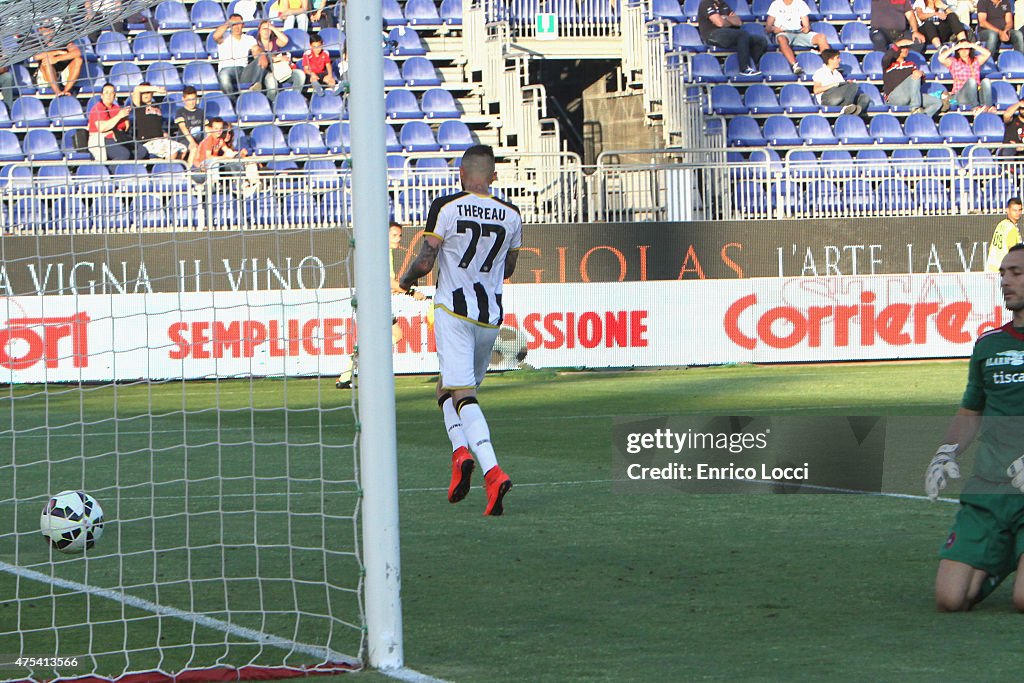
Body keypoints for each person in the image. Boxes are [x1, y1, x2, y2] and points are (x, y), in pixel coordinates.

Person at [398, 145, 522, 516]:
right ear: (494, 177)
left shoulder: (447, 207)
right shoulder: (511, 215)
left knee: (462, 393)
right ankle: (459, 454)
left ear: (461, 174)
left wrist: (405, 279)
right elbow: (510, 266)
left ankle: (492, 471)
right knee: (447, 388)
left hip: (453, 309)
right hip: (489, 316)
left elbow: (426, 258)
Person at [927, 243, 1024, 611]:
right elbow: (971, 411)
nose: (1006, 281)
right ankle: (1004, 555)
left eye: (1017, 272)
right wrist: (944, 453)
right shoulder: (988, 344)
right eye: (1003, 273)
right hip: (988, 486)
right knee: (950, 600)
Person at [335, 221, 427, 389]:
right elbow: (389, 282)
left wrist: (403, 289)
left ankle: (345, 376)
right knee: (379, 340)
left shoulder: (386, 253)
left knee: (393, 336)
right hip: (374, 303)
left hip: (377, 301)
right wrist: (411, 292)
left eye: (400, 236)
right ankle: (355, 372)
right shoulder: (382, 253)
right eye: (394, 235)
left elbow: (387, 284)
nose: (398, 239)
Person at [697, 0, 769, 76]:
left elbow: (738, 22)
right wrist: (729, 20)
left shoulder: (723, 4)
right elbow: (720, 23)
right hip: (713, 34)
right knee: (742, 34)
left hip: (729, 33)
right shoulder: (706, 3)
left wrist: (725, 18)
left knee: (760, 41)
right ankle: (744, 68)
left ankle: (753, 65)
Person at [240, 21, 304, 103]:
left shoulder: (275, 42)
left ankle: (294, 101)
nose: (266, 31)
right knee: (272, 84)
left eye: (268, 29)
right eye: (264, 29)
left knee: (300, 75)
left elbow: (285, 40)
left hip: (280, 70)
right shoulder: (255, 44)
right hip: (265, 72)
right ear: (259, 31)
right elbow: (259, 58)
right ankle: (271, 104)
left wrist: (273, 28)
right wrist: (278, 59)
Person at [881, 40, 947, 116]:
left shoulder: (911, 65)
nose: (906, 50)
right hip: (894, 97)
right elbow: (885, 59)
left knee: (937, 102)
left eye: (907, 48)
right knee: (915, 74)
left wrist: (921, 74)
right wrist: (897, 45)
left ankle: (919, 118)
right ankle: (915, 108)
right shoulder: (888, 65)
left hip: (910, 96)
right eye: (903, 48)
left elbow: (918, 84)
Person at [765, 0, 830, 76]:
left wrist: (806, 28)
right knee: (781, 39)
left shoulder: (800, 3)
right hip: (784, 33)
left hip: (799, 32)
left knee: (821, 37)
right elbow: (768, 28)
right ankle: (795, 65)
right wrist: (774, 29)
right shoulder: (776, 4)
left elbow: (806, 24)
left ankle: (829, 64)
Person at [131, 82, 187, 160]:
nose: (146, 95)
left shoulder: (156, 106)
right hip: (148, 142)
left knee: (183, 149)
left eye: (148, 92)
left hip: (161, 140)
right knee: (173, 150)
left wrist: (163, 133)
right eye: (143, 93)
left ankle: (171, 168)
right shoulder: (139, 106)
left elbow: (155, 125)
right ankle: (168, 170)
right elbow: (136, 89)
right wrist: (155, 88)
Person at [939, 41, 995, 113]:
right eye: (961, 49)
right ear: (958, 51)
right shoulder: (953, 61)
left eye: (966, 48)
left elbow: (988, 54)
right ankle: (975, 108)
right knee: (971, 81)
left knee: (986, 81)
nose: (964, 51)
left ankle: (988, 107)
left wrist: (972, 45)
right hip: (961, 94)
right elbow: (941, 58)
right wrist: (956, 47)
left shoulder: (976, 60)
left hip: (976, 93)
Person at [212, 14, 260, 97]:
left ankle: (257, 86)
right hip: (227, 69)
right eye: (234, 24)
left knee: (261, 58)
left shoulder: (249, 39)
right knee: (224, 76)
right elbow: (216, 36)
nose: (236, 27)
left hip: (244, 70)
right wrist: (228, 23)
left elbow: (256, 53)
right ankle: (234, 103)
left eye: (239, 24)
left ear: (243, 25)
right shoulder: (224, 37)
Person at [812, 49, 872, 115]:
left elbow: (845, 91)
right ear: (830, 60)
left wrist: (846, 83)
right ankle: (847, 108)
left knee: (864, 97)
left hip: (840, 99)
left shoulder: (838, 74)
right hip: (827, 99)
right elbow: (816, 90)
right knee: (853, 85)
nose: (839, 60)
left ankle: (855, 111)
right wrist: (835, 85)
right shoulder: (820, 72)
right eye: (837, 58)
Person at [87, 83, 132, 162]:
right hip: (101, 139)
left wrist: (126, 119)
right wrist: (119, 116)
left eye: (111, 93)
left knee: (141, 152)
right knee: (124, 154)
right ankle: (110, 171)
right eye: (106, 92)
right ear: (102, 95)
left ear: (114, 96)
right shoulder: (98, 108)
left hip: (117, 138)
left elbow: (125, 127)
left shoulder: (116, 108)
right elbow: (102, 128)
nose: (109, 95)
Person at [32, 30, 83, 97]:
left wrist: (57, 59)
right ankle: (58, 92)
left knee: (78, 60)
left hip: (63, 73)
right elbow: (36, 57)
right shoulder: (37, 41)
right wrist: (57, 52)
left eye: (50, 30)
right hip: (46, 76)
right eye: (45, 31)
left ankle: (66, 90)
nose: (48, 34)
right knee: (46, 61)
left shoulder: (63, 39)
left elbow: (77, 52)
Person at [986, 198, 1023, 271]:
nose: (1017, 213)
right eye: (1014, 210)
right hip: (1002, 270)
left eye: (1020, 210)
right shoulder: (1012, 230)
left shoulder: (1002, 224)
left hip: (991, 267)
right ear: (1008, 210)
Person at [173, 86, 207, 160]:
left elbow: (206, 128)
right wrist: (192, 142)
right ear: (183, 99)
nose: (191, 102)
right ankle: (190, 170)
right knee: (194, 148)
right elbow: (183, 128)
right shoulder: (180, 112)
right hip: (185, 140)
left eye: (193, 99)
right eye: (189, 100)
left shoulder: (201, 112)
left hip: (199, 140)